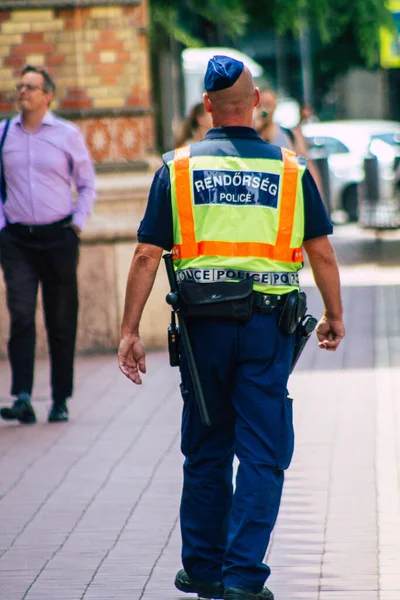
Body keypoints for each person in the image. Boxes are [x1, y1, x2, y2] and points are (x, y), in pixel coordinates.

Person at [118, 55, 344, 600]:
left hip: (203, 332)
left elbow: (148, 254)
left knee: (207, 448)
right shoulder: (290, 171)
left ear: (208, 109)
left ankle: (202, 568)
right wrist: (335, 315)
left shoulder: (176, 169)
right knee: (264, 453)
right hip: (269, 330)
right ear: (258, 104)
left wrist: (128, 330)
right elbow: (322, 253)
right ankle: (244, 577)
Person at [0, 65, 96, 425]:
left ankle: (60, 399)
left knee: (60, 318)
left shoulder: (67, 135)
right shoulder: (4, 133)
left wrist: (77, 224)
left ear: (47, 96)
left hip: (59, 237)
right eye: (20, 85)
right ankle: (22, 396)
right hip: (17, 241)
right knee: (22, 315)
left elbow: (87, 184)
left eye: (30, 86)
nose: (22, 91)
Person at [254, 89, 322, 191]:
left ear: (275, 106)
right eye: (260, 105)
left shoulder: (288, 135)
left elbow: (306, 166)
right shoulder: (251, 135)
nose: (264, 110)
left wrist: (317, 196)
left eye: (268, 105)